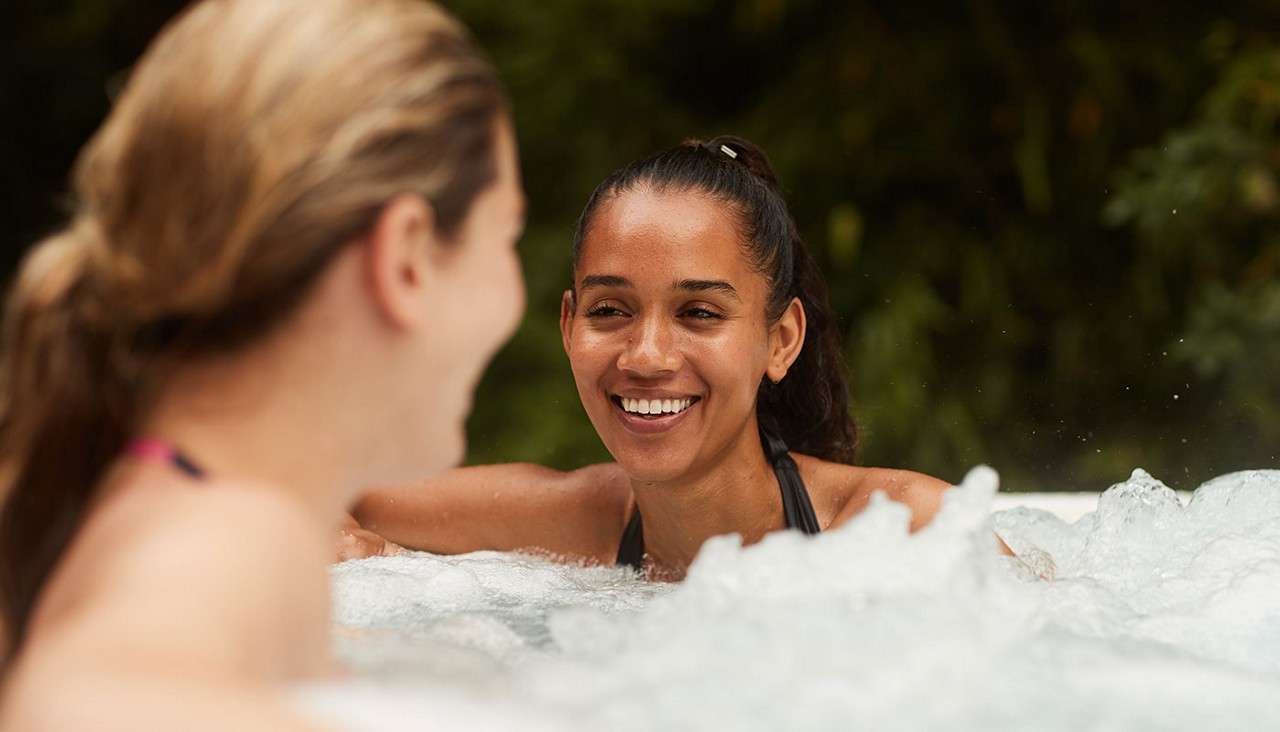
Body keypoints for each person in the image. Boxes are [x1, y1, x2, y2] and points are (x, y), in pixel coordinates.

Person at [0, 0, 525, 728]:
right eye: (507, 236)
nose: (514, 293)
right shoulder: (142, 689)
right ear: (405, 259)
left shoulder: (184, 552)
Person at [347, 136, 1004, 579]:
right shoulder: (578, 520)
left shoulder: (908, 533)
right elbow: (308, 490)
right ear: (569, 326)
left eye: (699, 313)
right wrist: (376, 562)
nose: (648, 355)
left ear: (781, 341)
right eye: (611, 311)